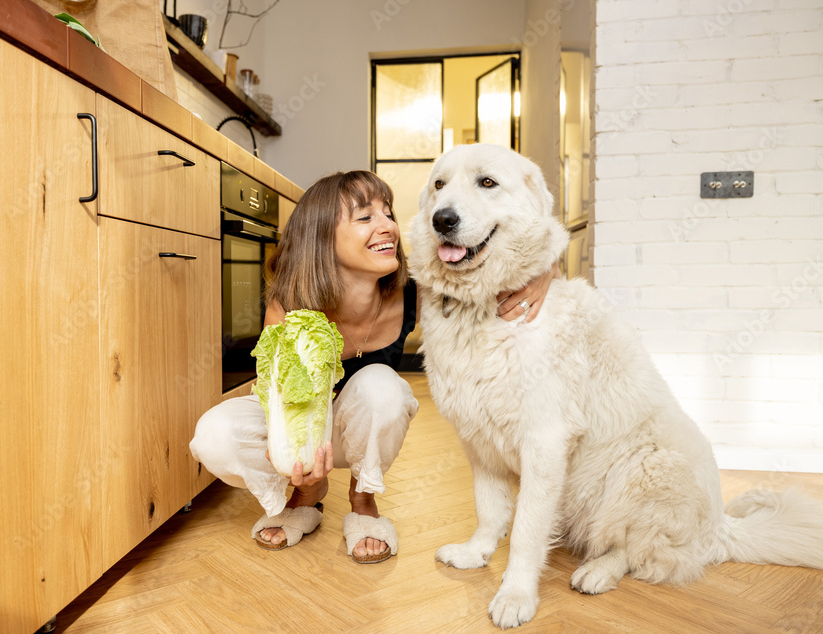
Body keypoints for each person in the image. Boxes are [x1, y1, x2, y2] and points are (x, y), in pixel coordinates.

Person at [190, 170, 555, 563]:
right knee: (214, 435)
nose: (388, 227)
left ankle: (362, 499)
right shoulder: (291, 300)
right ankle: (303, 495)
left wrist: (545, 273)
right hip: (302, 424)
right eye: (365, 218)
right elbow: (276, 393)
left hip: (358, 426)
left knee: (383, 386)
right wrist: (294, 447)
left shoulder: (419, 290)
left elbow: (508, 264)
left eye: (388, 214)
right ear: (321, 237)